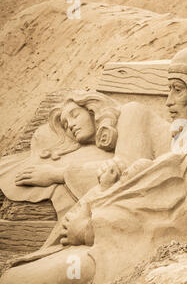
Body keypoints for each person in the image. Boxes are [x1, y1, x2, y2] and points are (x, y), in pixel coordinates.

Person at [0, 46, 187, 284]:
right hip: (115, 233)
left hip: (120, 251)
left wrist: (91, 229)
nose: (168, 101)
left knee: (13, 279)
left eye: (177, 90)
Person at [0, 91, 170, 219]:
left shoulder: (131, 112)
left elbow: (129, 171)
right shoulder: (104, 149)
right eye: (66, 125)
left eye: (75, 115)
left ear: (92, 110)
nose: (71, 125)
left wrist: (56, 174)